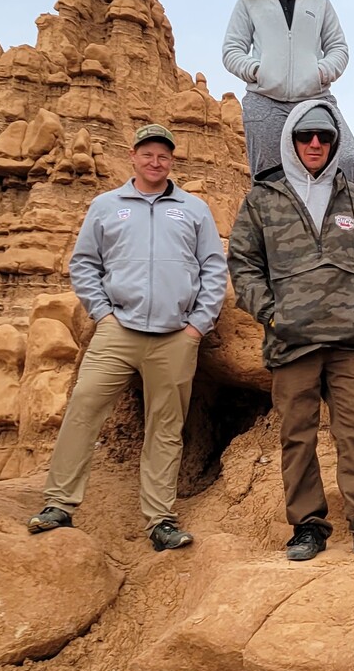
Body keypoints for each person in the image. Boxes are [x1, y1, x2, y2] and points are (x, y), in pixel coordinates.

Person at [28, 123, 227, 551]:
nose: (156, 162)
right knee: (83, 408)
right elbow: (84, 264)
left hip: (176, 335)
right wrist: (103, 314)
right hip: (119, 330)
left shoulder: (193, 209)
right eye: (148, 154)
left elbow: (213, 267)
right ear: (132, 157)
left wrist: (198, 325)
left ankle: (160, 520)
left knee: (167, 427)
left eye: (164, 156)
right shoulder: (106, 205)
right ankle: (59, 504)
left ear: (171, 161)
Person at [228, 99, 354, 559]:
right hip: (291, 341)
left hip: (351, 340)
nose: (315, 143)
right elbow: (244, 265)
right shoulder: (263, 199)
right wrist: (271, 314)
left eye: (324, 137)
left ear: (334, 143)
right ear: (290, 140)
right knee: (297, 436)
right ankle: (308, 527)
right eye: (306, 135)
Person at [221, 0, 354, 188]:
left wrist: (321, 72)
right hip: (265, 101)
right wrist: (257, 71)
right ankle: (277, 232)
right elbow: (232, 50)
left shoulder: (318, 1)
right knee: (270, 180)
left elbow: (338, 47)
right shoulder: (248, 3)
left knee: (350, 162)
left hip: (315, 97)